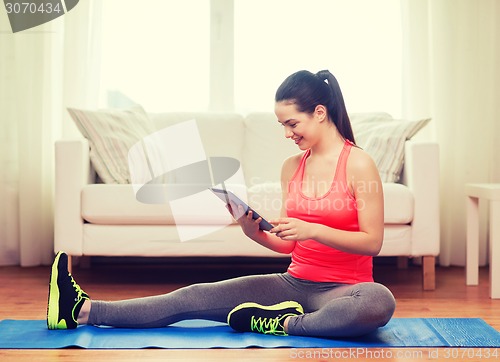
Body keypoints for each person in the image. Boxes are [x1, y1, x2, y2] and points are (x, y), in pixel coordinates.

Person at [46, 70, 396, 338]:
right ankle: (81, 309)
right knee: (192, 297)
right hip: (293, 284)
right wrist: (251, 230)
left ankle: (282, 323)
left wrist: (314, 229)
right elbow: (287, 244)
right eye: (282, 125)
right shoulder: (292, 167)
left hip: (346, 292)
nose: (287, 134)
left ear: (320, 112)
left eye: (292, 123)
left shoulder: (357, 163)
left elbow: (372, 242)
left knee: (379, 302)